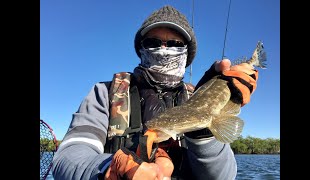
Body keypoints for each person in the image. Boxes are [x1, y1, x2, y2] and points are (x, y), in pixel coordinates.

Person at [52, 5, 258, 180]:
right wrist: (111, 168)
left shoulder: (193, 95)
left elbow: (224, 176)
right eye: (153, 42)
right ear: (141, 49)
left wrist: (202, 131)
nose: (164, 48)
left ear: (187, 54)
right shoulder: (106, 93)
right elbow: (68, 157)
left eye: (176, 44)